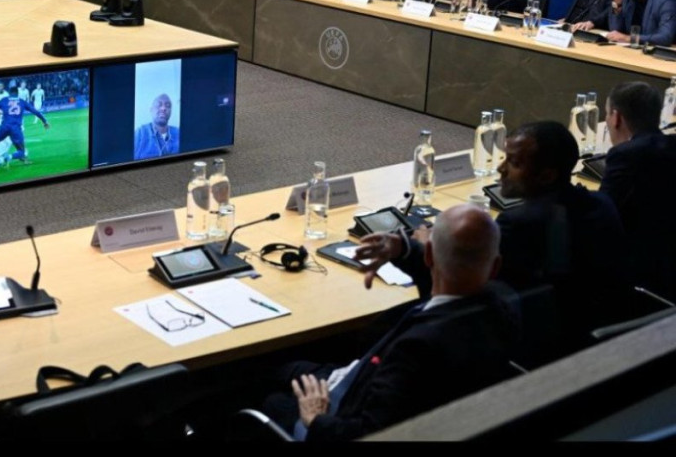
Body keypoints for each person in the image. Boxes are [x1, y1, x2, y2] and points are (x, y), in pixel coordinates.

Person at [264, 204, 518, 442]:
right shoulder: (503, 304)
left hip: (344, 409)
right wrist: (405, 249)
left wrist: (315, 418)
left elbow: (372, 432)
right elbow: (453, 273)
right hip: (419, 407)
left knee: (267, 389)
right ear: (496, 266)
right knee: (287, 370)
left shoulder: (416, 348)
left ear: (429, 255)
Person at [493, 121, 629, 348]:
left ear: (547, 176)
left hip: (548, 346)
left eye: (514, 163)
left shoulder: (516, 223)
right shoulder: (601, 203)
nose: (501, 168)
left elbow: (477, 282)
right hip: (610, 331)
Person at [601, 82, 676, 299]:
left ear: (616, 117)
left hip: (641, 271)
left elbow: (605, 210)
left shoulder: (626, 155)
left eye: (607, 115)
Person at [0, 84, 50, 166]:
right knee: (15, 144)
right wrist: (44, 121)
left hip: (6, 122)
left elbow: (7, 108)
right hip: (10, 123)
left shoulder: (6, 96)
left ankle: (17, 158)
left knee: (14, 143)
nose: (0, 88)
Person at [134, 93, 180, 159]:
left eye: (168, 106)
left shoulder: (179, 133)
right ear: (151, 110)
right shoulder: (140, 133)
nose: (163, 108)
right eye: (159, 105)